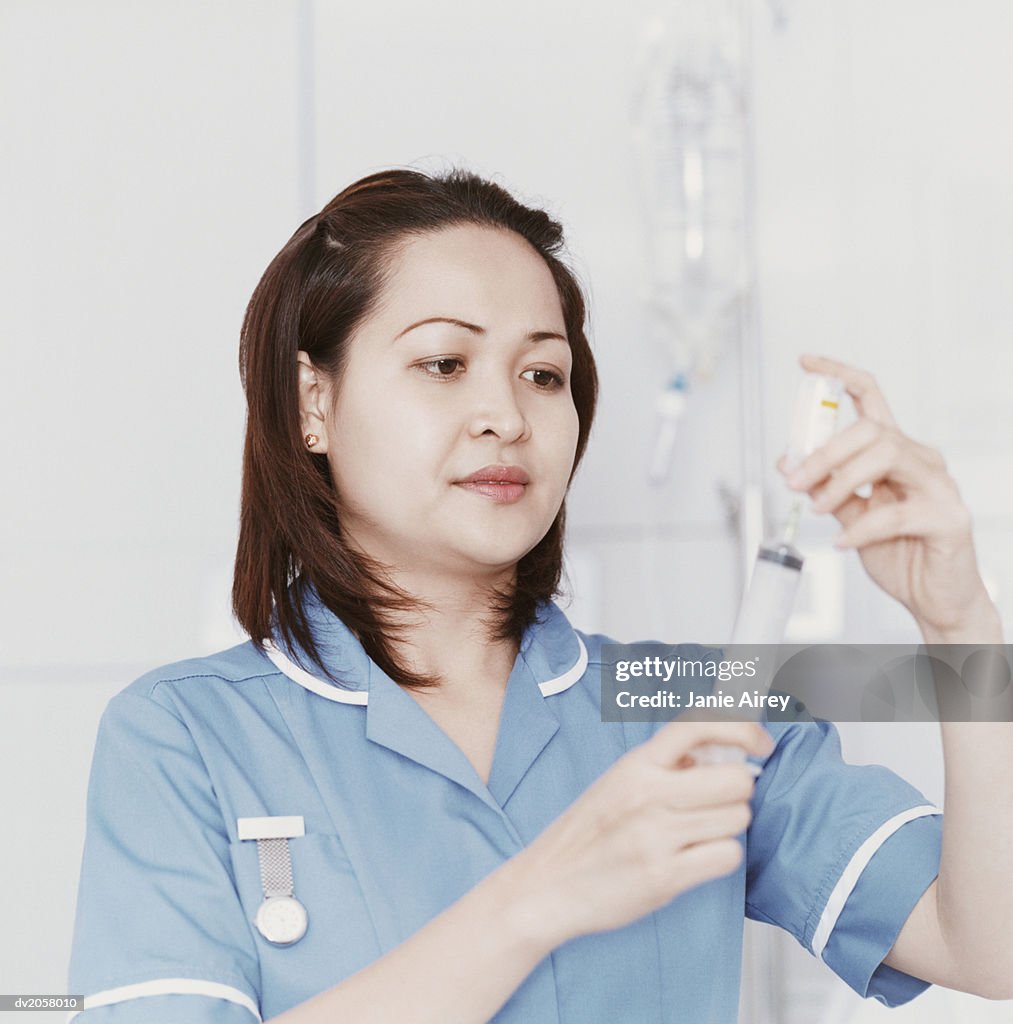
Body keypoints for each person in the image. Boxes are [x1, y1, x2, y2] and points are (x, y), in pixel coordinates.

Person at [66, 167, 1011, 1024]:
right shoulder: (185, 739)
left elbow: (988, 948)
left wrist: (959, 625)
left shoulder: (687, 715)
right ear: (314, 402)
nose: (506, 415)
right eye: (444, 364)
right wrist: (537, 899)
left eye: (543, 373)